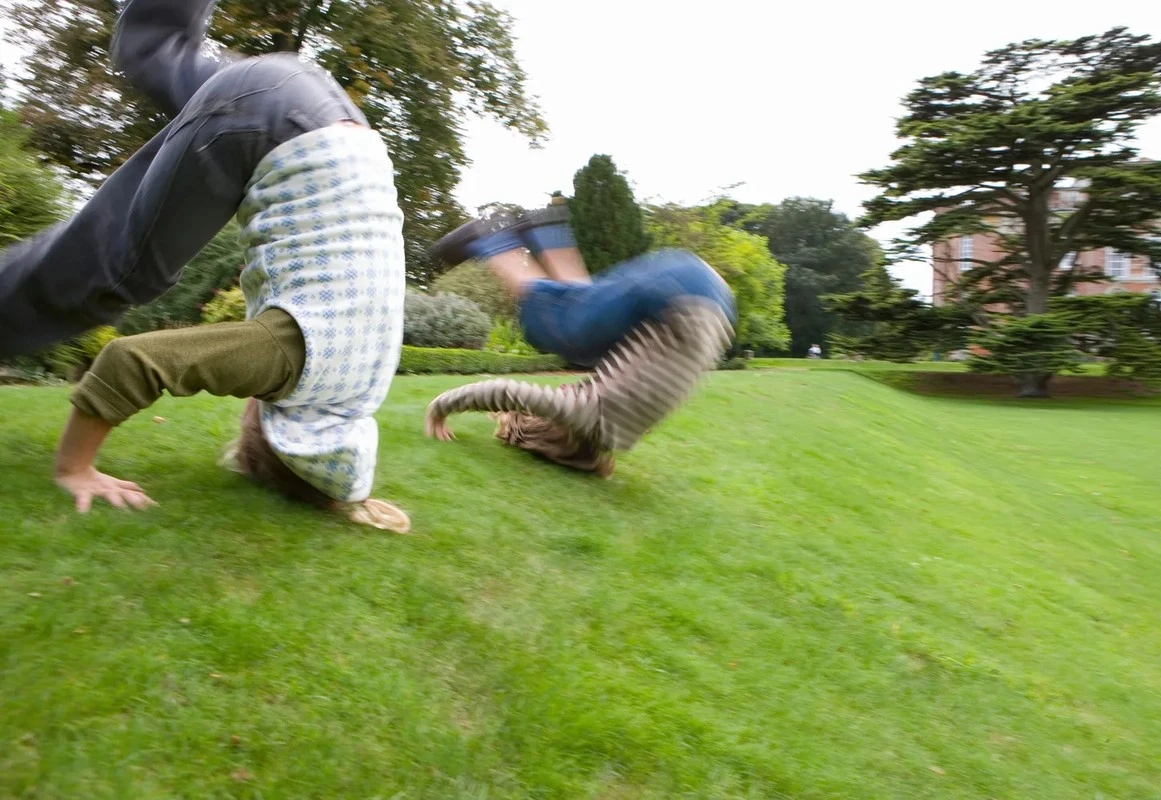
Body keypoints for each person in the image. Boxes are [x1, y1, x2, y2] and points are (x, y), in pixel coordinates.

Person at [2, 0, 409, 531]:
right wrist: (74, 467)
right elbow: (132, 362)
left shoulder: (364, 382)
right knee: (122, 273)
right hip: (268, 123)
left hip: (321, 106)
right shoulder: (296, 368)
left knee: (153, 50)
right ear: (278, 439)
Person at [422, 201, 736, 475]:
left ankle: (550, 231)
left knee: (581, 322)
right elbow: (507, 392)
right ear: (554, 432)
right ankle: (489, 240)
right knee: (551, 326)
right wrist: (441, 407)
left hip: (714, 303)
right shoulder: (588, 419)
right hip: (683, 299)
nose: (558, 394)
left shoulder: (623, 435)